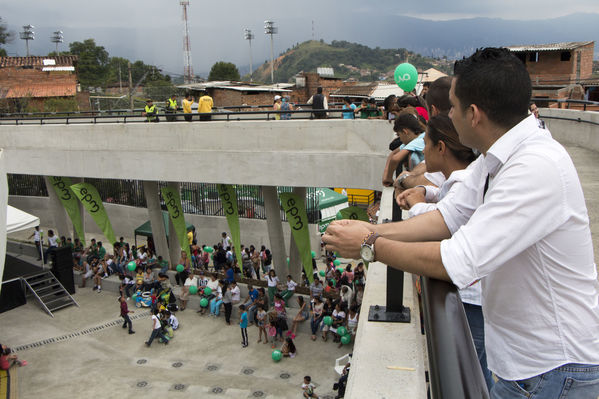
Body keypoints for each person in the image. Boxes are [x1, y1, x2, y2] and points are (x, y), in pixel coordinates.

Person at [322, 47, 599, 398]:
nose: (446, 115)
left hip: (554, 373)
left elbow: (458, 262)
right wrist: (373, 230)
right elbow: (448, 218)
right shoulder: (497, 156)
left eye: (452, 107)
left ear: (473, 114)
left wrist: (369, 246)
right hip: (534, 370)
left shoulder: (534, 167)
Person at [382, 113, 426, 187]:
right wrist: (385, 175)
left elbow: (395, 159)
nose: (401, 139)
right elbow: (392, 154)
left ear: (405, 132)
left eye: (399, 135)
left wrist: (389, 178)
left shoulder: (419, 140)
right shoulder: (411, 141)